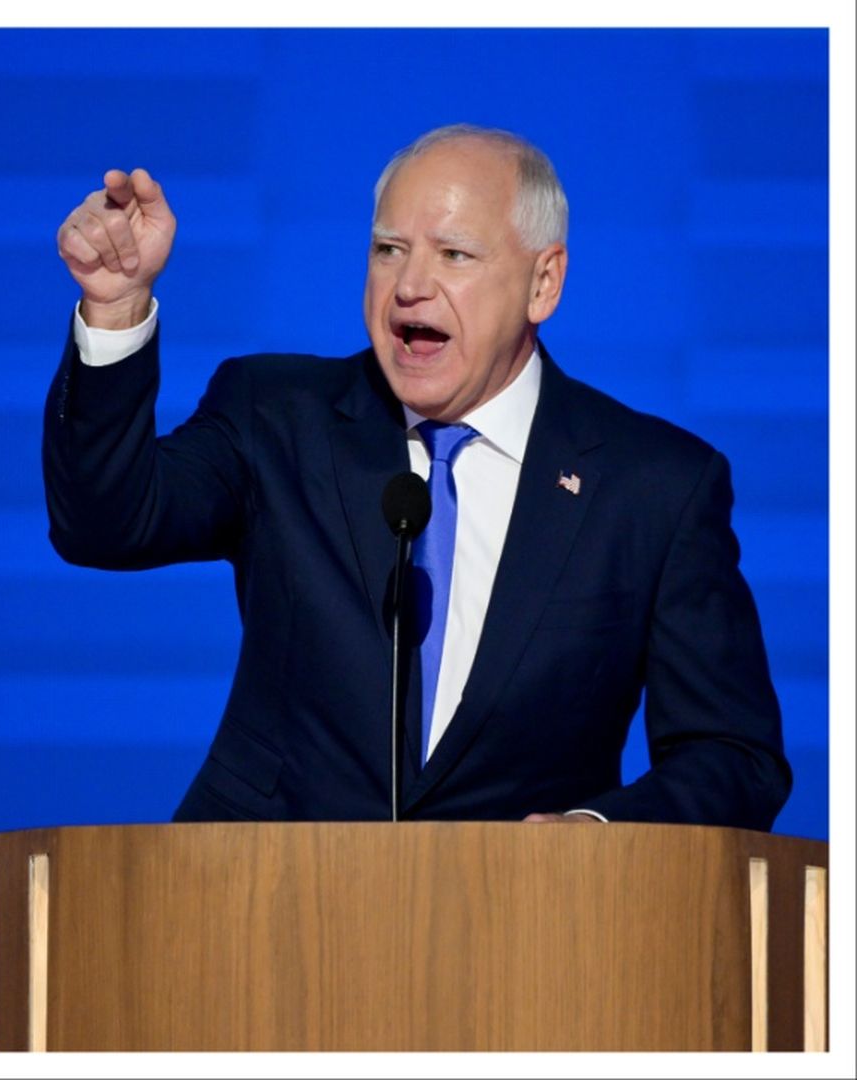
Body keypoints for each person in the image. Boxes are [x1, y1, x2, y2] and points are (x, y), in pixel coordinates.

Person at [43, 124, 789, 829]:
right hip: (257, 912)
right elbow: (107, 523)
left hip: (522, 932)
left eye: (455, 256)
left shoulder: (653, 487)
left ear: (544, 284)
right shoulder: (277, 418)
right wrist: (115, 310)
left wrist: (595, 836)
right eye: (389, 249)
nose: (409, 287)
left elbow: (733, 755)